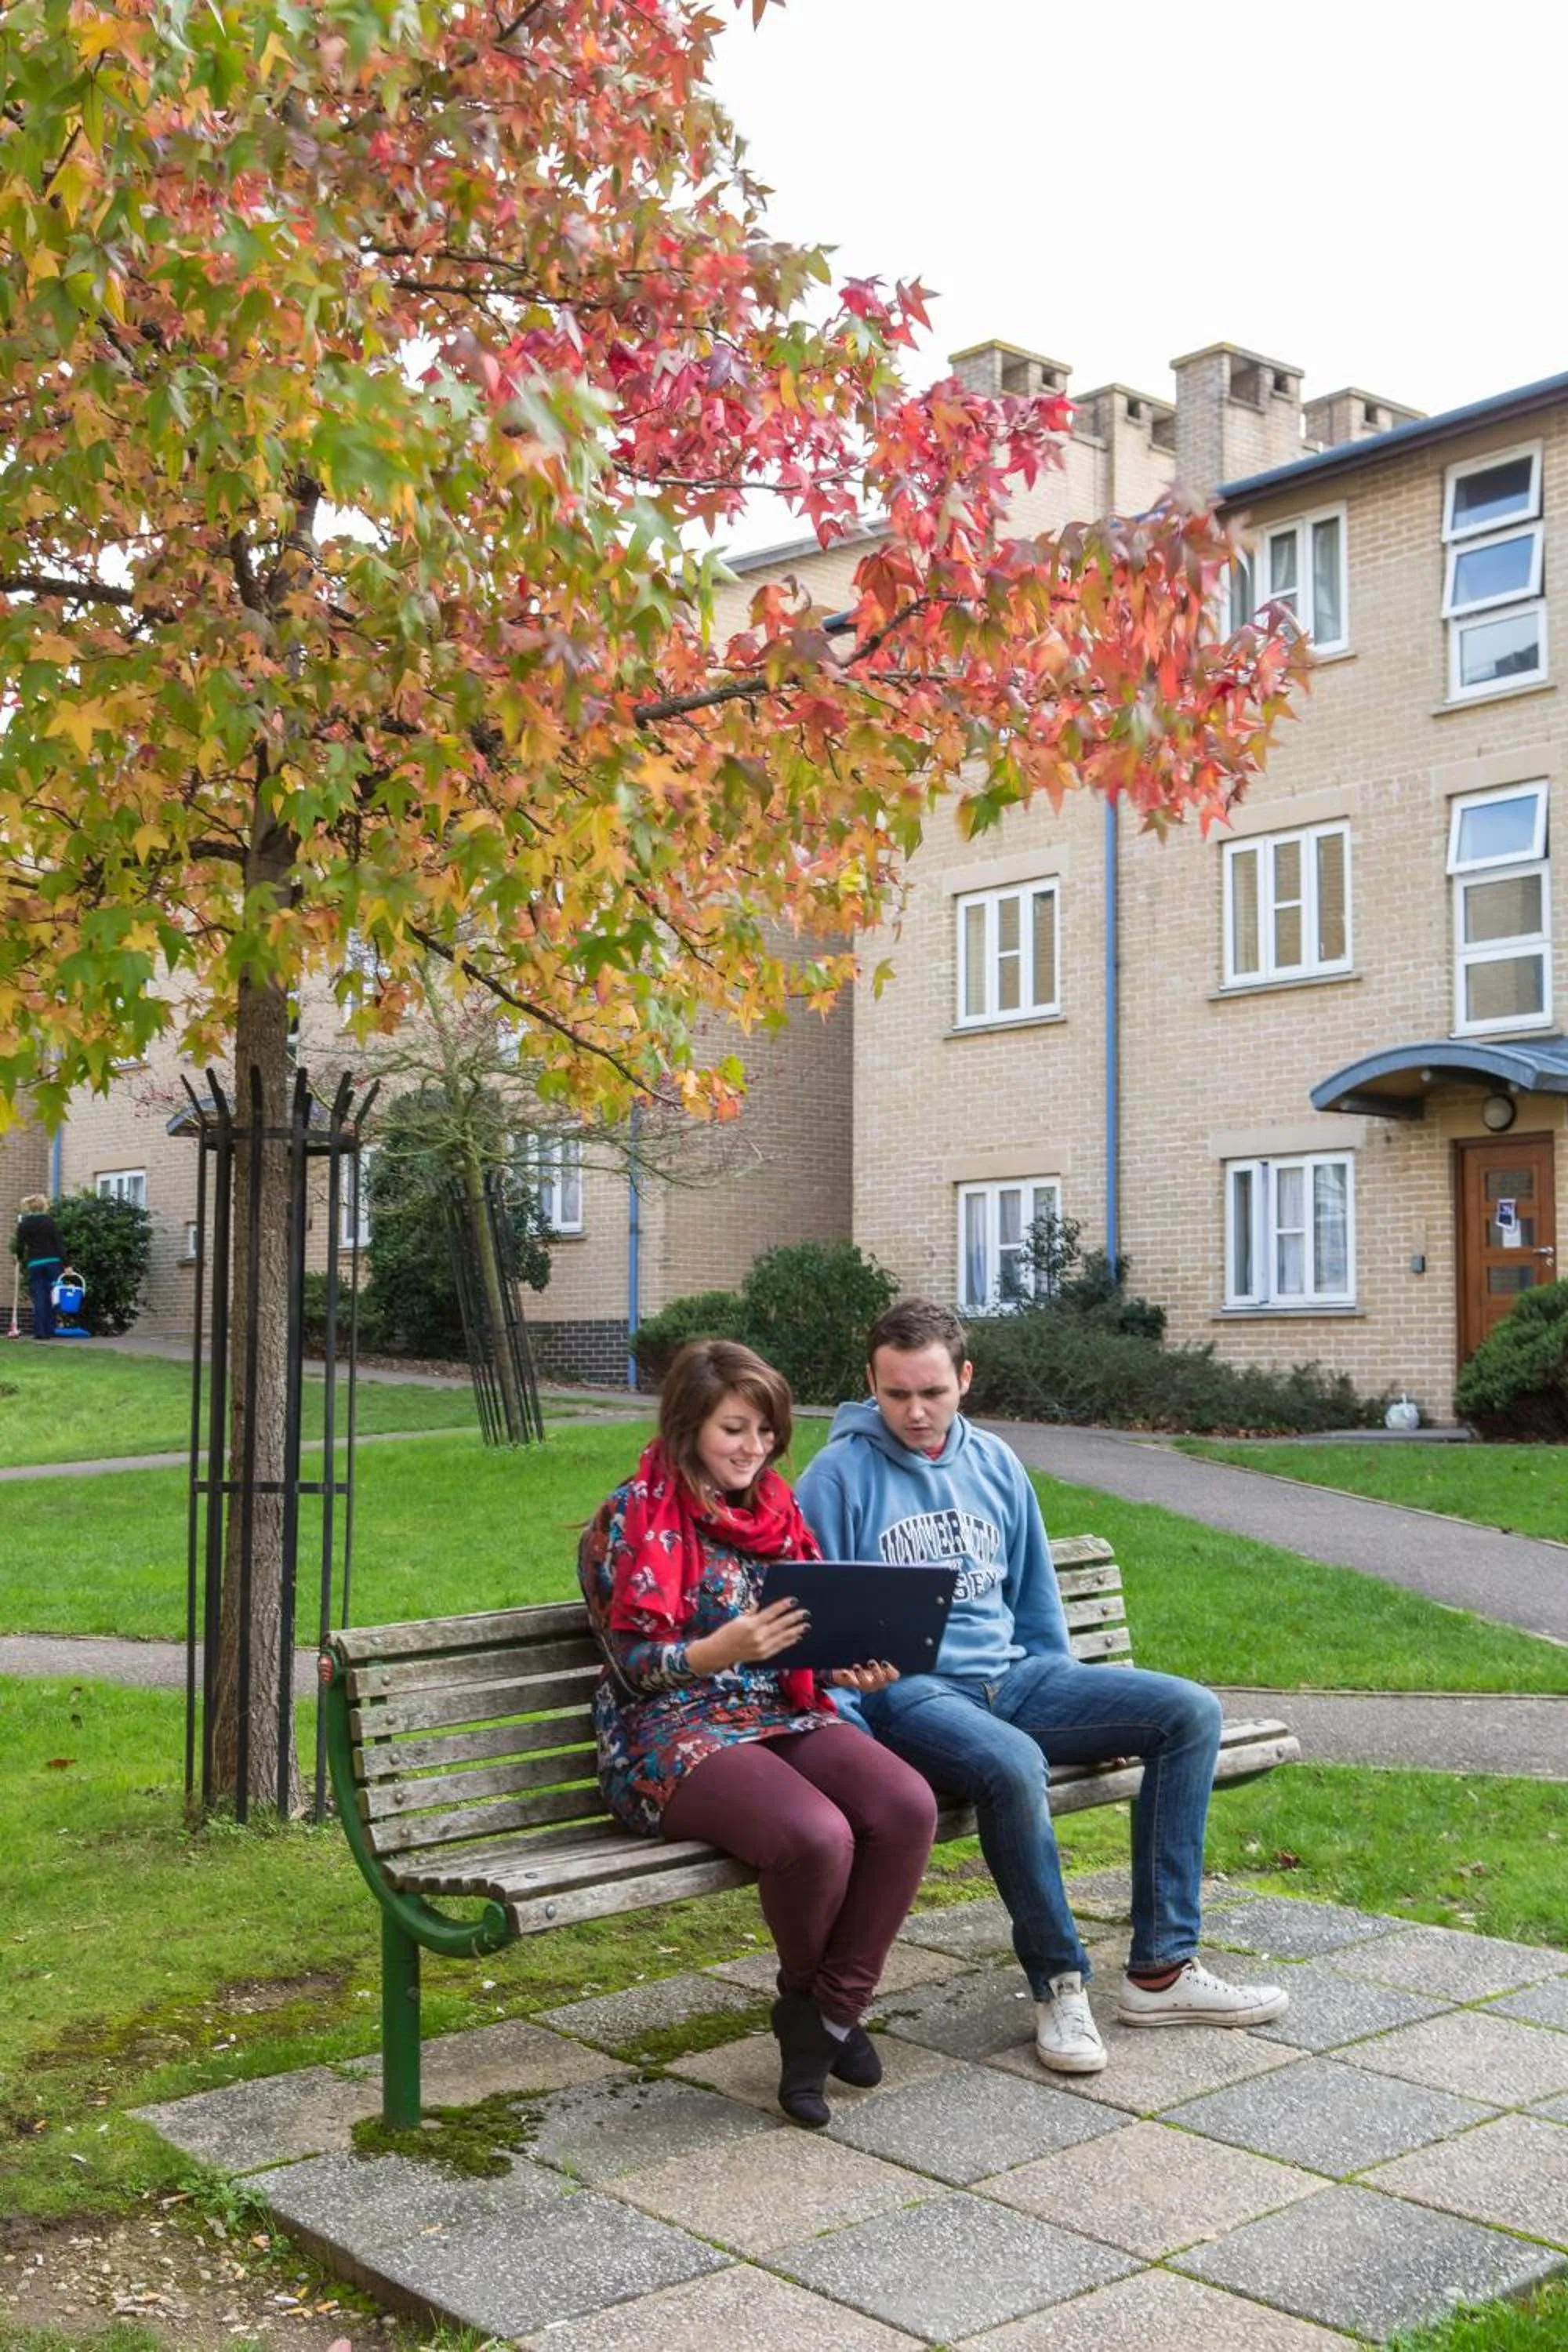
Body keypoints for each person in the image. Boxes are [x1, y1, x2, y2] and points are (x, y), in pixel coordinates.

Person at [797, 1297, 1287, 2078]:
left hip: (1020, 1678)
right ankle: (1058, 1983)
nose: (914, 1412)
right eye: (894, 1394)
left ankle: (1158, 1971)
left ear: (964, 1377)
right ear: (869, 1383)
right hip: (915, 1696)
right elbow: (820, 1627)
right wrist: (850, 1744)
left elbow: (1031, 1595)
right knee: (1011, 1762)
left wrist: (1058, 1678)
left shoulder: (993, 1462)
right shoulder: (836, 1478)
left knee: (1188, 1713)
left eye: (931, 1391)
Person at [578, 1338, 938, 2129]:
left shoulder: (776, 1512)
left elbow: (802, 1636)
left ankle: (821, 2015)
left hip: (778, 1708)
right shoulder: (630, 1517)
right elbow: (632, 1666)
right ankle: (823, 2024)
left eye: (766, 1430)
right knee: (815, 1835)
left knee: (906, 1805)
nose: (755, 1448)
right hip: (666, 1731)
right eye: (734, 1429)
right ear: (687, 1426)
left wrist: (846, 1665)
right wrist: (714, 1652)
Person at [13, 1194, 64, 1342]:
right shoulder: (49, 1222)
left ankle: (40, 1332)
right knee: (53, 1296)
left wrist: (19, 1257)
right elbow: (58, 1243)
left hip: (35, 1263)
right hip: (53, 1263)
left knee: (39, 1297)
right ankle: (50, 1328)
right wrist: (67, 1264)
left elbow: (20, 1245)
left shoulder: (25, 1224)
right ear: (44, 1206)